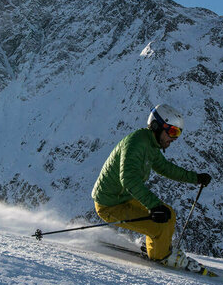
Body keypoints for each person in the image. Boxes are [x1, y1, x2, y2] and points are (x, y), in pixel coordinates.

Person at [91, 104, 212, 267]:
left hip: (123, 198)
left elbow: (165, 168)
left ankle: (159, 248)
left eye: (178, 133)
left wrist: (195, 178)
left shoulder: (151, 144)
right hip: (109, 205)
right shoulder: (136, 144)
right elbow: (128, 179)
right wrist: (154, 206)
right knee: (159, 226)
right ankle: (160, 258)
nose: (174, 138)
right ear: (157, 126)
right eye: (172, 132)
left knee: (169, 214)